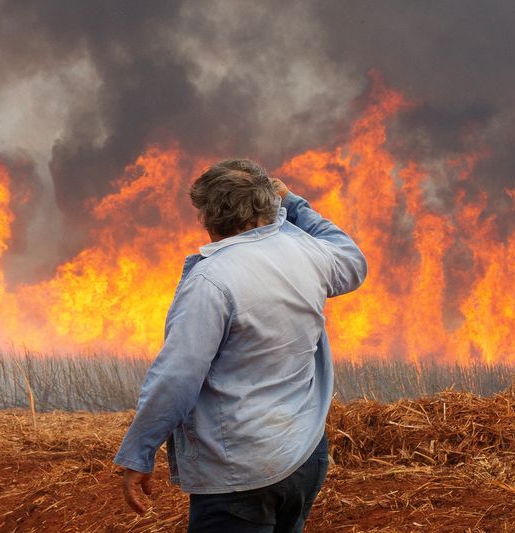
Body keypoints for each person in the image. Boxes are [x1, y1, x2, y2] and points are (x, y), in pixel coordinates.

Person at [113, 158, 367, 532]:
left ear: (208, 215)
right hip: (304, 456)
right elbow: (351, 260)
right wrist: (293, 203)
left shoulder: (212, 279)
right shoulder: (306, 252)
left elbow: (177, 377)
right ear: (268, 204)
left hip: (241, 473)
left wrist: (139, 452)